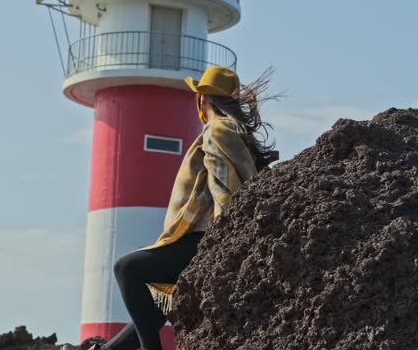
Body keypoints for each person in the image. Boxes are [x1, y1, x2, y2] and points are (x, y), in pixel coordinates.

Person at [92, 66, 280, 350]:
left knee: (126, 268)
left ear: (202, 99)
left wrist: (225, 246)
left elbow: (225, 187)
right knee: (153, 308)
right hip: (205, 239)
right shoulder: (233, 130)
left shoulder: (218, 130)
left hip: (205, 240)